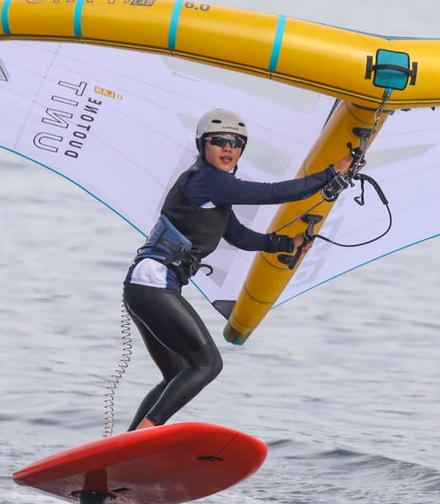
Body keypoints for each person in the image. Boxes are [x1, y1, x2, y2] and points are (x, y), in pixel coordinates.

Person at [122, 108, 353, 431]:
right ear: (203, 144)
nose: (228, 148)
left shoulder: (215, 193)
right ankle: (145, 433)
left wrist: (288, 243)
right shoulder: (206, 180)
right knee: (207, 365)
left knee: (179, 374)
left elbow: (240, 237)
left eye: (236, 143)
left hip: (146, 285)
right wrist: (330, 174)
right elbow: (271, 193)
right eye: (219, 141)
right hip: (153, 283)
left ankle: (127, 443)